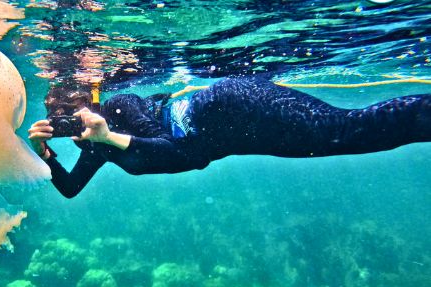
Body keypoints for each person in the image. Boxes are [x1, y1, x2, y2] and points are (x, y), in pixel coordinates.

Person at [27, 78, 431, 198]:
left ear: (89, 102)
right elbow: (69, 188)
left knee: (346, 132)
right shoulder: (98, 143)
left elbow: (181, 155)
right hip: (237, 135)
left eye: (69, 115)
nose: (67, 125)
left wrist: (111, 136)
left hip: (231, 106)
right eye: (58, 121)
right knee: (341, 137)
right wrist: (42, 152)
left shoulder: (119, 108)